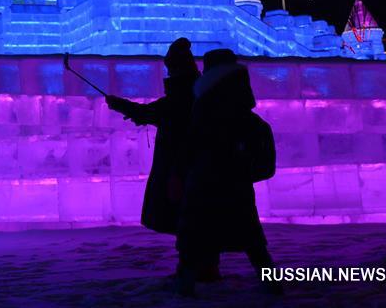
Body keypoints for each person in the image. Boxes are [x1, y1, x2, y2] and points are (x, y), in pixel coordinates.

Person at [175, 48, 281, 296]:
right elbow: (264, 163)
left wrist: (182, 174)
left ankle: (185, 285)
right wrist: (245, 173)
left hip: (204, 185)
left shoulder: (203, 114)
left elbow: (189, 149)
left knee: (197, 237)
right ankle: (271, 283)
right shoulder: (250, 120)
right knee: (251, 240)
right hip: (235, 187)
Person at [105, 38, 207, 275]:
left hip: (178, 169)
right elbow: (151, 113)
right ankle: (206, 267)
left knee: (186, 219)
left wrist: (120, 105)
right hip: (199, 167)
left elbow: (148, 113)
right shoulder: (198, 95)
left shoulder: (180, 98)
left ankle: (189, 273)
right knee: (197, 219)